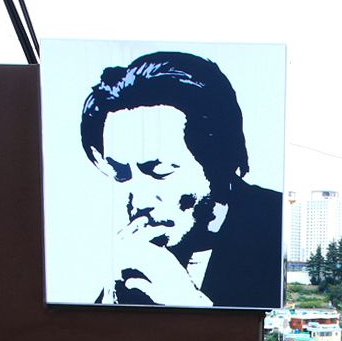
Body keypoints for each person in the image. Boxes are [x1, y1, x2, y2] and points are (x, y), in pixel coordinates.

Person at [79, 51, 281, 308]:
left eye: (160, 172)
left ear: (218, 159)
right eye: (120, 174)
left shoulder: (276, 226)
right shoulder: (130, 259)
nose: (139, 201)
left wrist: (187, 303)